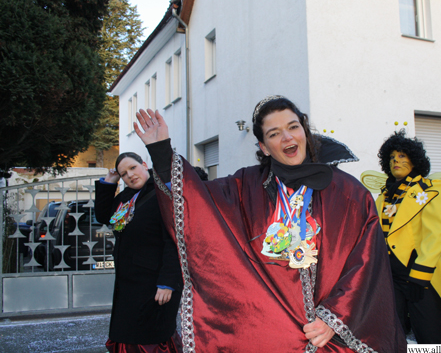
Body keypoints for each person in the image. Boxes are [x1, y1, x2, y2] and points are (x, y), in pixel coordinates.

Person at [134, 96, 407, 352]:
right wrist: (160, 153)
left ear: (304, 132)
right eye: (274, 133)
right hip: (270, 336)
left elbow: (367, 262)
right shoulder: (243, 188)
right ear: (264, 147)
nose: (287, 136)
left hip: (329, 337)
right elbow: (195, 204)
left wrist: (334, 317)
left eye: (293, 127)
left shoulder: (348, 193)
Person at [375, 130, 441, 344]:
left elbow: (436, 234)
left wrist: (420, 274)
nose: (396, 161)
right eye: (392, 157)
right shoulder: (384, 196)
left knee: (431, 334)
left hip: (421, 276)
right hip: (390, 276)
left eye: (402, 156)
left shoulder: (432, 189)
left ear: (414, 160)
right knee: (393, 334)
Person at [95, 152, 184, 353]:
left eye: (133, 168)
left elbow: (174, 240)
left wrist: (168, 282)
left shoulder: (163, 192)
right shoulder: (126, 197)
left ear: (144, 164)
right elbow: (103, 216)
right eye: (124, 174)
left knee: (152, 338)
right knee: (127, 334)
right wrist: (109, 182)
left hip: (156, 284)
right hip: (129, 283)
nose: (130, 175)